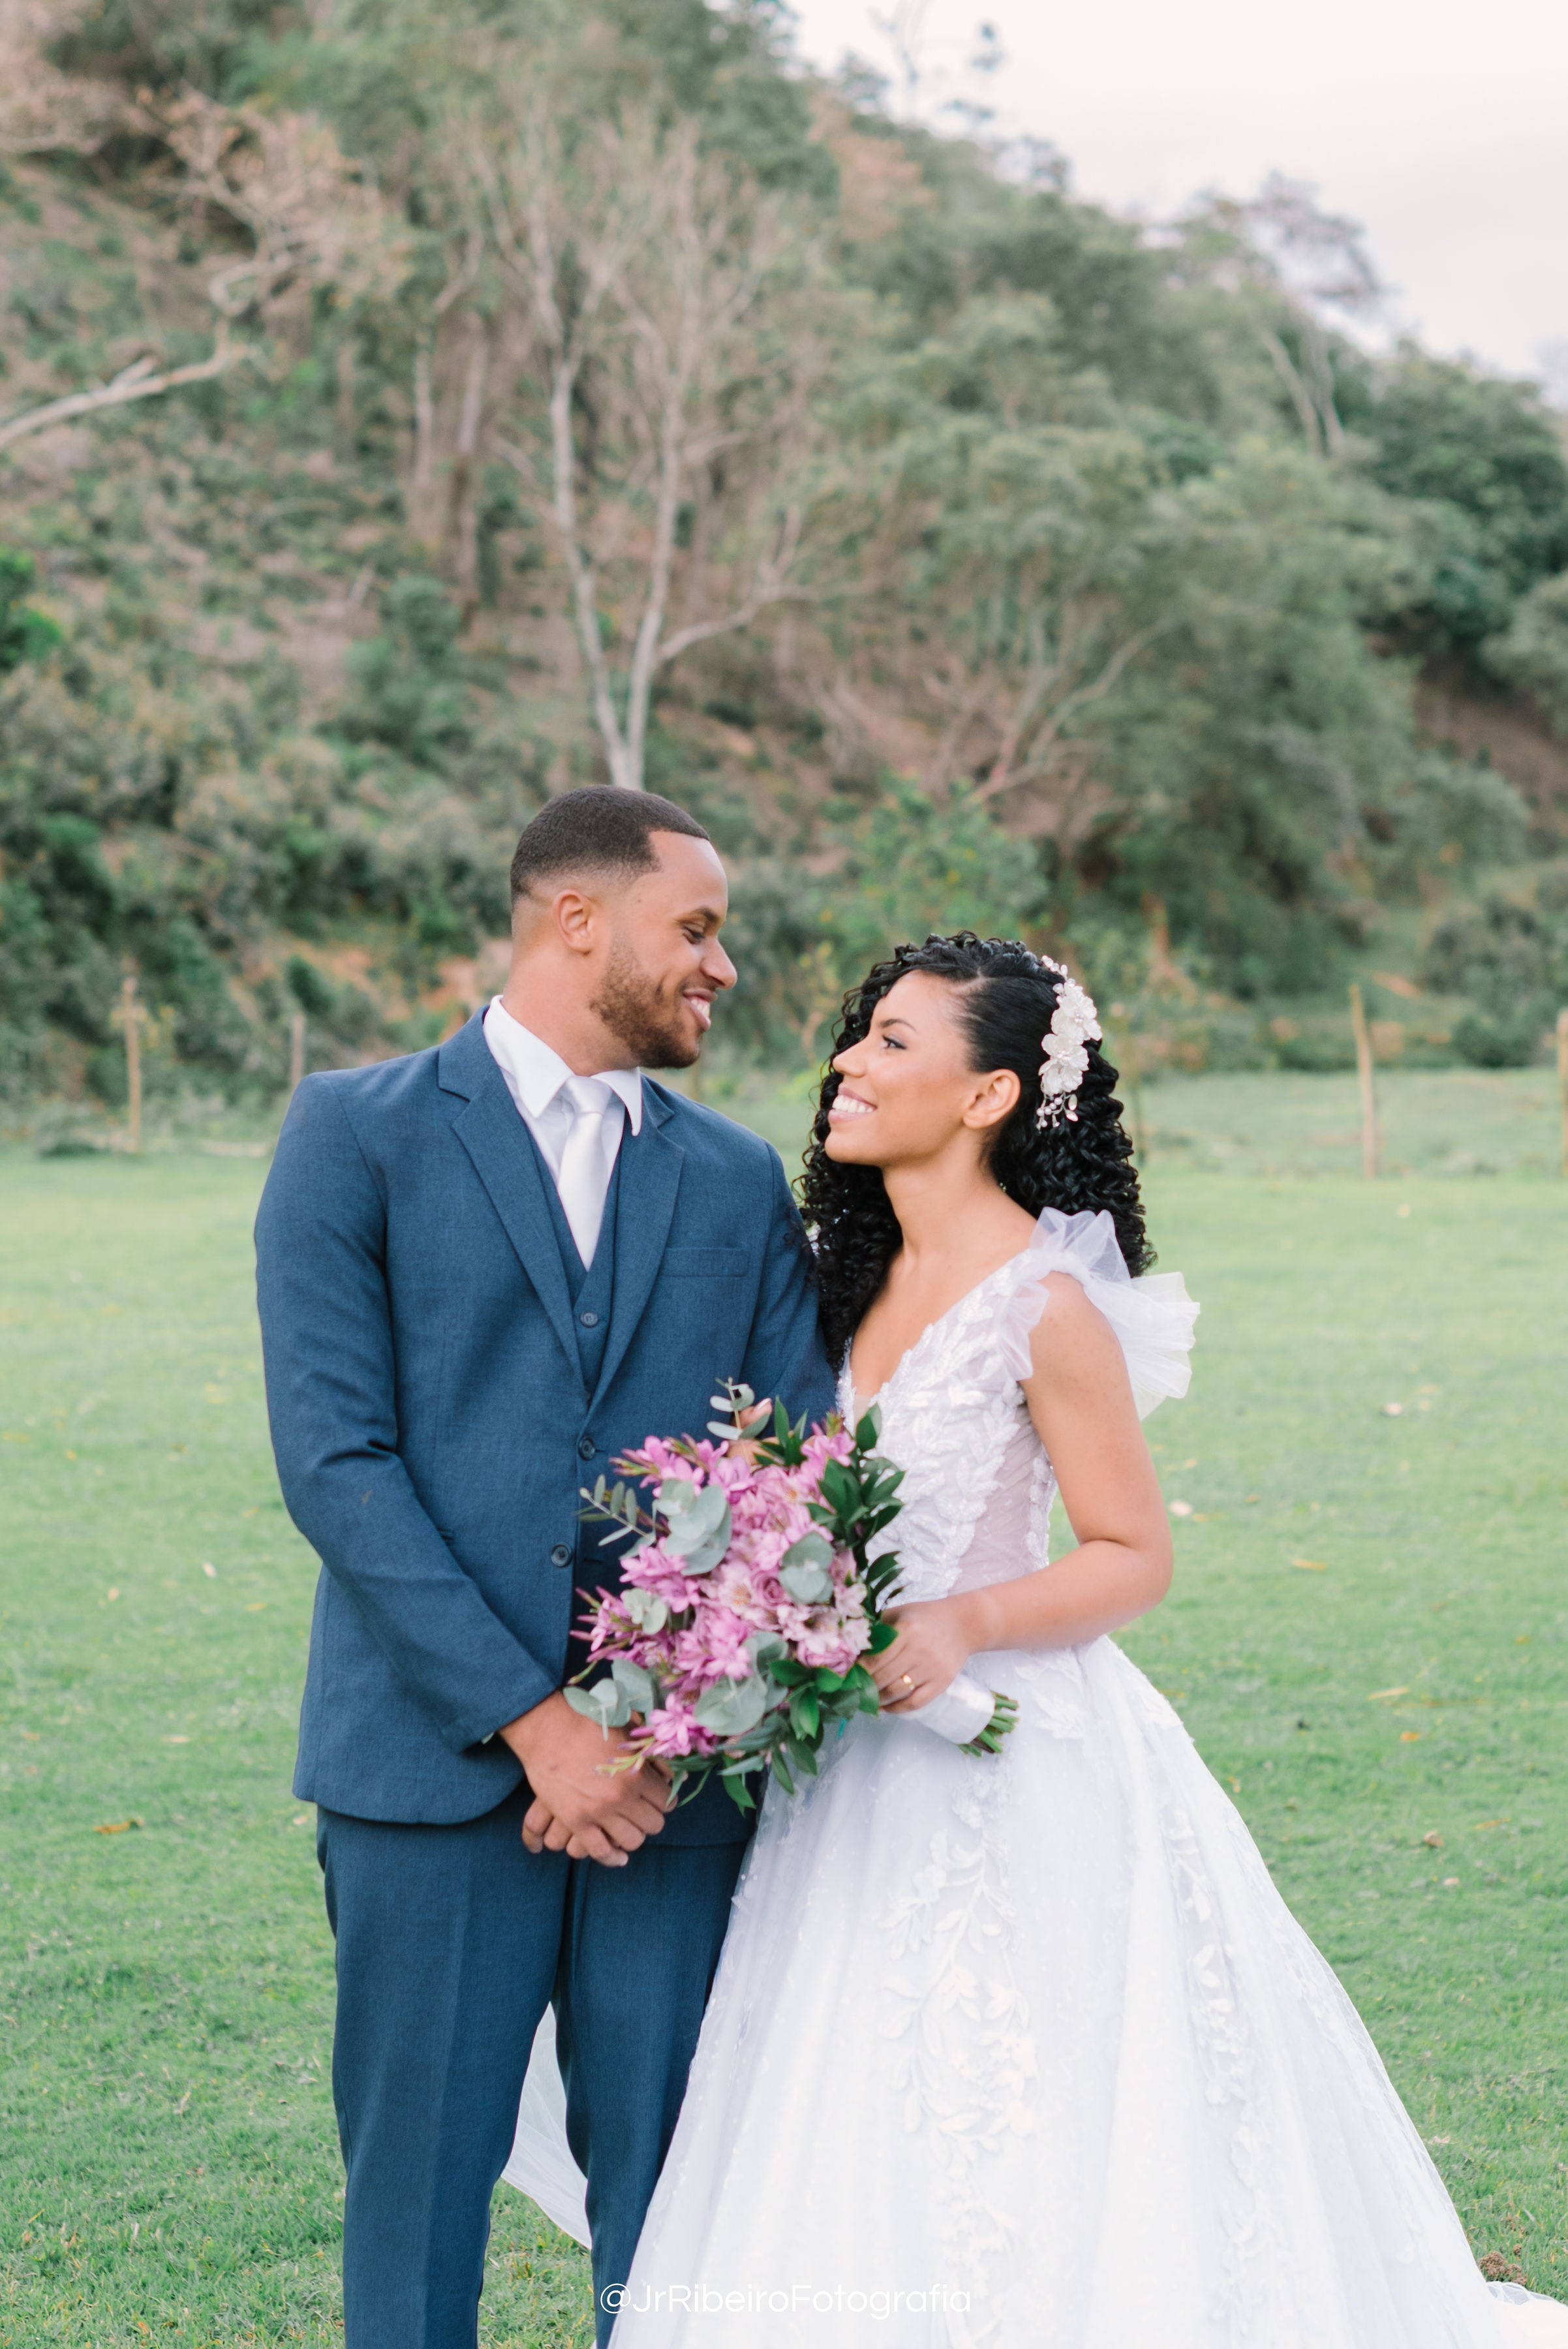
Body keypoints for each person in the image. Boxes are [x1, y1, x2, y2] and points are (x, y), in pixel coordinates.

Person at [572, 930, 1566, 2346]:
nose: (847, 1062)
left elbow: (1131, 1552)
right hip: (846, 1775)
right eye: (858, 1034)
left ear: (988, 1096)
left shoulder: (1042, 1307)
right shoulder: (827, 1282)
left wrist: (964, 1617)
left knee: (1031, 2098)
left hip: (1013, 1762)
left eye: (892, 1042)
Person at [253, 786, 835, 2349]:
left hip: (672, 1794)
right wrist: (537, 1725)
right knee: (416, 2206)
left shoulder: (734, 1178)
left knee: (679, 2209)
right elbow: (335, 1462)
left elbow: (785, 1474)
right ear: (576, 918)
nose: (721, 966)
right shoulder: (353, 1134)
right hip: (426, 1769)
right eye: (694, 928)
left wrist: (648, 1729)